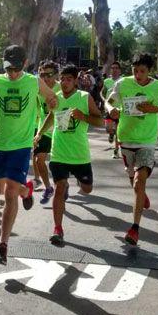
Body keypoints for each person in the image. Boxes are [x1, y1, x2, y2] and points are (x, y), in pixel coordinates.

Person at [0, 45, 57, 263]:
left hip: (21, 146)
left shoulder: (32, 81)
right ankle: (26, 191)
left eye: (16, 69)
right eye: (9, 69)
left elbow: (50, 97)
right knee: (1, 188)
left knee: (9, 193)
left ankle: (3, 244)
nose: (12, 74)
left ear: (25, 63)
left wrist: (52, 103)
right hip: (0, 144)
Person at [105, 53, 158, 246]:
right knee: (135, 183)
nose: (138, 75)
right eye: (135, 71)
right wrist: (111, 110)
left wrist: (155, 110)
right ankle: (142, 195)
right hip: (125, 138)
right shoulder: (123, 84)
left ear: (149, 71)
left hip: (147, 140)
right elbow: (109, 101)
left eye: (142, 71)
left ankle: (134, 228)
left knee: (138, 182)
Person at [35, 64, 103, 245]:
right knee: (59, 188)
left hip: (80, 155)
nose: (65, 83)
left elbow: (100, 120)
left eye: (69, 80)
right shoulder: (55, 97)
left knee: (87, 189)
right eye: (62, 79)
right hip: (59, 153)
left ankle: (80, 181)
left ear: (76, 81)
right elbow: (51, 115)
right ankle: (57, 229)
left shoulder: (84, 97)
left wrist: (84, 116)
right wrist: (40, 133)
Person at [33, 61, 60, 204]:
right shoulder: (38, 89)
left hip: (59, 132)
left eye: (49, 75)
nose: (45, 78)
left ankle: (63, 184)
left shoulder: (61, 88)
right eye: (42, 75)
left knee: (58, 165)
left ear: (56, 74)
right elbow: (38, 109)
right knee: (39, 160)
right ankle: (48, 187)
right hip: (43, 130)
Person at [102, 61, 122, 158]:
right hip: (109, 109)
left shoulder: (123, 81)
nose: (114, 70)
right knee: (108, 128)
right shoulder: (107, 81)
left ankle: (116, 151)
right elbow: (102, 93)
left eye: (116, 68)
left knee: (118, 131)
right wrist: (104, 100)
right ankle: (111, 133)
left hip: (120, 110)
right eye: (113, 68)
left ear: (119, 70)